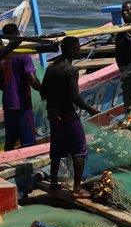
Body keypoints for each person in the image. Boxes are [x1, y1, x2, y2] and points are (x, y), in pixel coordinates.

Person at [42, 36, 98, 198]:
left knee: (56, 150)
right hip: (68, 116)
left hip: (53, 117)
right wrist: (89, 108)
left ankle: (53, 184)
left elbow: (43, 92)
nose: (79, 50)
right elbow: (75, 97)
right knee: (79, 150)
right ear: (73, 50)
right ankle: (77, 189)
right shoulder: (71, 71)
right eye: (78, 47)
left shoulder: (51, 68)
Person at [0, 23, 42, 150]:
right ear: (18, 34)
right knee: (28, 142)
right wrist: (44, 90)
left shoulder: (1, 55)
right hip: (22, 105)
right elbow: (32, 80)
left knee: (10, 141)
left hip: (7, 104)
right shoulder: (24, 55)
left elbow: (0, 85)